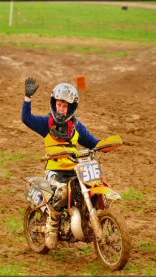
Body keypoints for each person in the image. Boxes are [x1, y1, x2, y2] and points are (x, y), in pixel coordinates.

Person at [22, 77, 100, 249]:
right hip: (54, 171)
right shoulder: (45, 124)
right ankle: (52, 225)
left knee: (91, 187)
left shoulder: (77, 127)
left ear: (71, 108)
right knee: (63, 192)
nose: (61, 108)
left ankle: (89, 221)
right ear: (53, 103)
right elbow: (26, 119)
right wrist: (28, 98)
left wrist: (106, 145)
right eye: (59, 104)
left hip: (74, 170)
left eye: (65, 106)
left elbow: (93, 142)